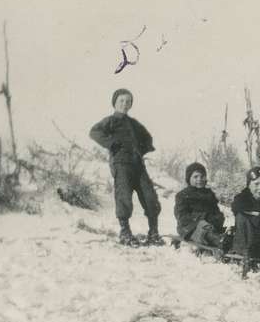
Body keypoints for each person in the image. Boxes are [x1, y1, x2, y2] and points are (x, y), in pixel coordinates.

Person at [88, 88, 162, 246]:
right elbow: (94, 132)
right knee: (124, 197)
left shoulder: (134, 123)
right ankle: (125, 232)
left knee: (150, 196)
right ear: (115, 102)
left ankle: (153, 232)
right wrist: (111, 144)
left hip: (138, 165)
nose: (125, 104)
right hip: (121, 164)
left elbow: (147, 138)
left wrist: (141, 150)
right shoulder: (110, 120)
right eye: (121, 100)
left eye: (128, 101)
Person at [230, 166, 260, 263]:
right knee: (242, 217)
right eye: (256, 184)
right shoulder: (242, 199)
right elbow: (236, 207)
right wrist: (258, 215)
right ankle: (245, 253)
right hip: (247, 240)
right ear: (249, 185)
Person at [172, 162, 225, 249]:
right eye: (195, 177)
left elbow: (216, 211)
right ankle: (219, 241)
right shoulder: (183, 195)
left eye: (202, 176)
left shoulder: (209, 194)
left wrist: (218, 218)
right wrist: (203, 217)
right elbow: (181, 216)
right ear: (189, 179)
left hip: (210, 226)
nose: (199, 179)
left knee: (213, 228)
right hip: (189, 228)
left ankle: (224, 239)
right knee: (204, 228)